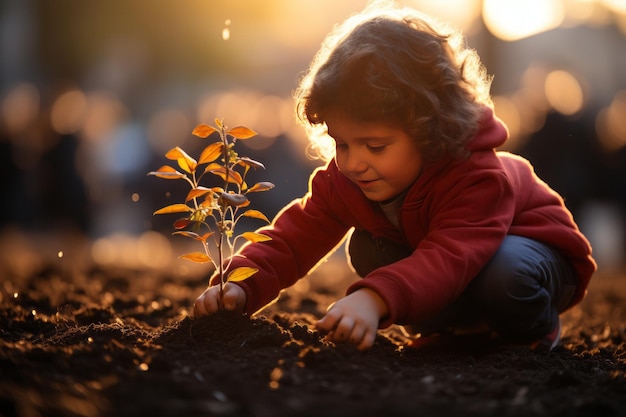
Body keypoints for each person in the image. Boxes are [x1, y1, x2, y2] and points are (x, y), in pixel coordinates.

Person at [193, 3, 596, 351]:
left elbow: (449, 257)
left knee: (505, 273)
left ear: (429, 129)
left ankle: (535, 331)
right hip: (458, 269)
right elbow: (295, 236)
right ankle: (462, 332)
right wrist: (243, 283)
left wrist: (373, 299)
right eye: (342, 144)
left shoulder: (477, 177)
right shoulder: (348, 180)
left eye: (375, 146)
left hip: (535, 261)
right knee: (367, 250)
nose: (353, 163)